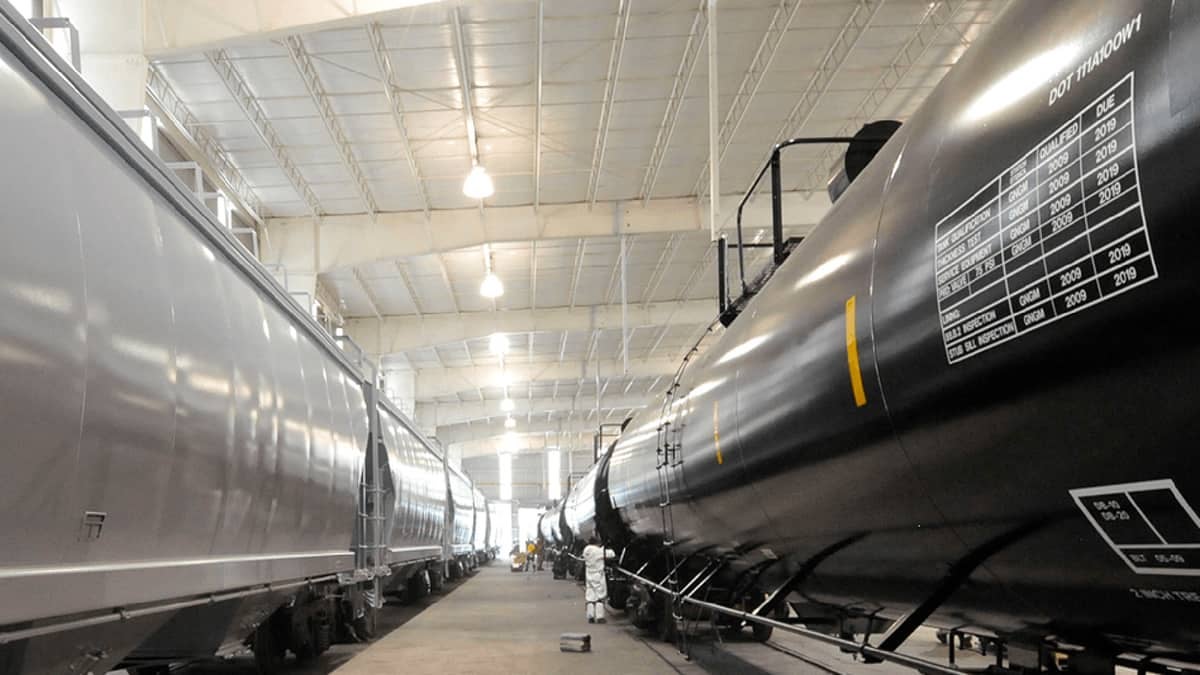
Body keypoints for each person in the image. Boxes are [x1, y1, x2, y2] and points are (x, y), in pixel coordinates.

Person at [582, 536, 615, 624]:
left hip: (589, 574)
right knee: (600, 596)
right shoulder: (597, 551)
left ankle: (590, 616)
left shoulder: (586, 550)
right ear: (597, 543)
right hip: (598, 575)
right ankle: (600, 617)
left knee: (590, 596)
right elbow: (611, 554)